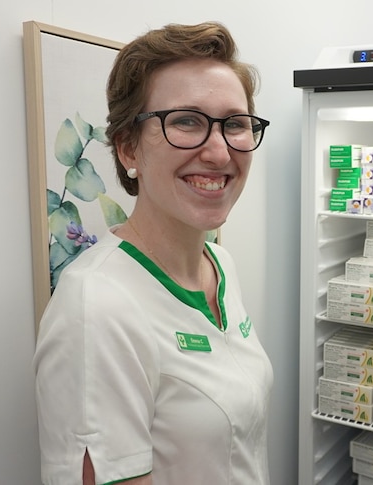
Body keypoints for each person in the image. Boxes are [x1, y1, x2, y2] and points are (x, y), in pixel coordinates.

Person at [33, 22, 273, 485]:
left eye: (236, 124)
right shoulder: (98, 307)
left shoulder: (219, 264)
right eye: (186, 121)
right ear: (128, 149)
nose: (220, 153)